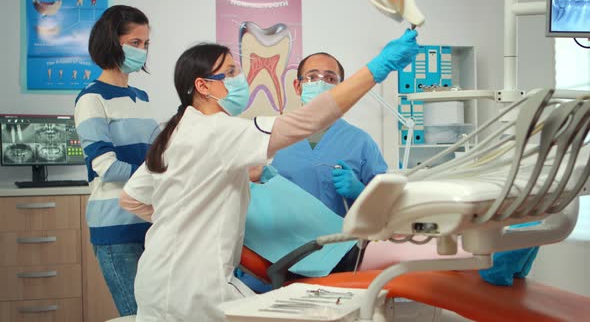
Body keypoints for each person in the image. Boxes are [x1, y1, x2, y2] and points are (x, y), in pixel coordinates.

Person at [120, 29, 419, 321]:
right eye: (231, 72)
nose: (242, 79)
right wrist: (376, 70)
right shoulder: (219, 131)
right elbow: (305, 121)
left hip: (155, 278)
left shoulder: (175, 132)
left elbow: (130, 199)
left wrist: (187, 220)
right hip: (196, 288)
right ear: (203, 86)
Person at [74, 5, 160, 316]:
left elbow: (157, 158)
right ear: (112, 42)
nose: (142, 50)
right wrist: (159, 175)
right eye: (135, 43)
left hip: (149, 223)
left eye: (146, 44)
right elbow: (107, 168)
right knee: (136, 314)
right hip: (114, 226)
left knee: (157, 313)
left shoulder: (141, 98)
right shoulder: (91, 99)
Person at [272, 52, 388, 218]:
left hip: (341, 241)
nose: (321, 83)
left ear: (342, 88)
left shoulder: (360, 142)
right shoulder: (273, 136)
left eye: (330, 79)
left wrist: (361, 191)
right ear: (298, 86)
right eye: (312, 77)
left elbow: (386, 205)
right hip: (282, 240)